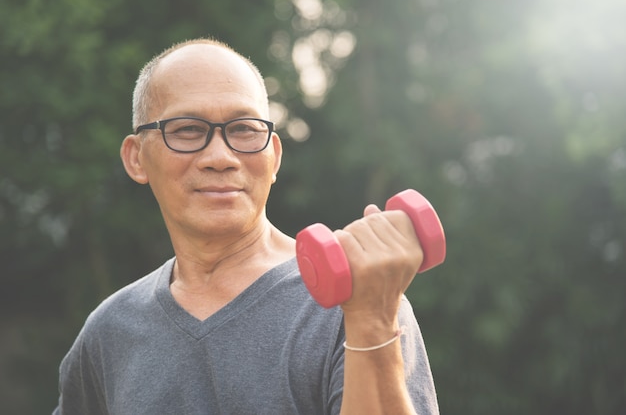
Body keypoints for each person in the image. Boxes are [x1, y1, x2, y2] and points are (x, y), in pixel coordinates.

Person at [53, 38, 439, 415]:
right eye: (187, 129)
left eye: (243, 129)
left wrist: (372, 322)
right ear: (136, 158)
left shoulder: (354, 305)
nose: (220, 157)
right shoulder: (110, 330)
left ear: (273, 156)